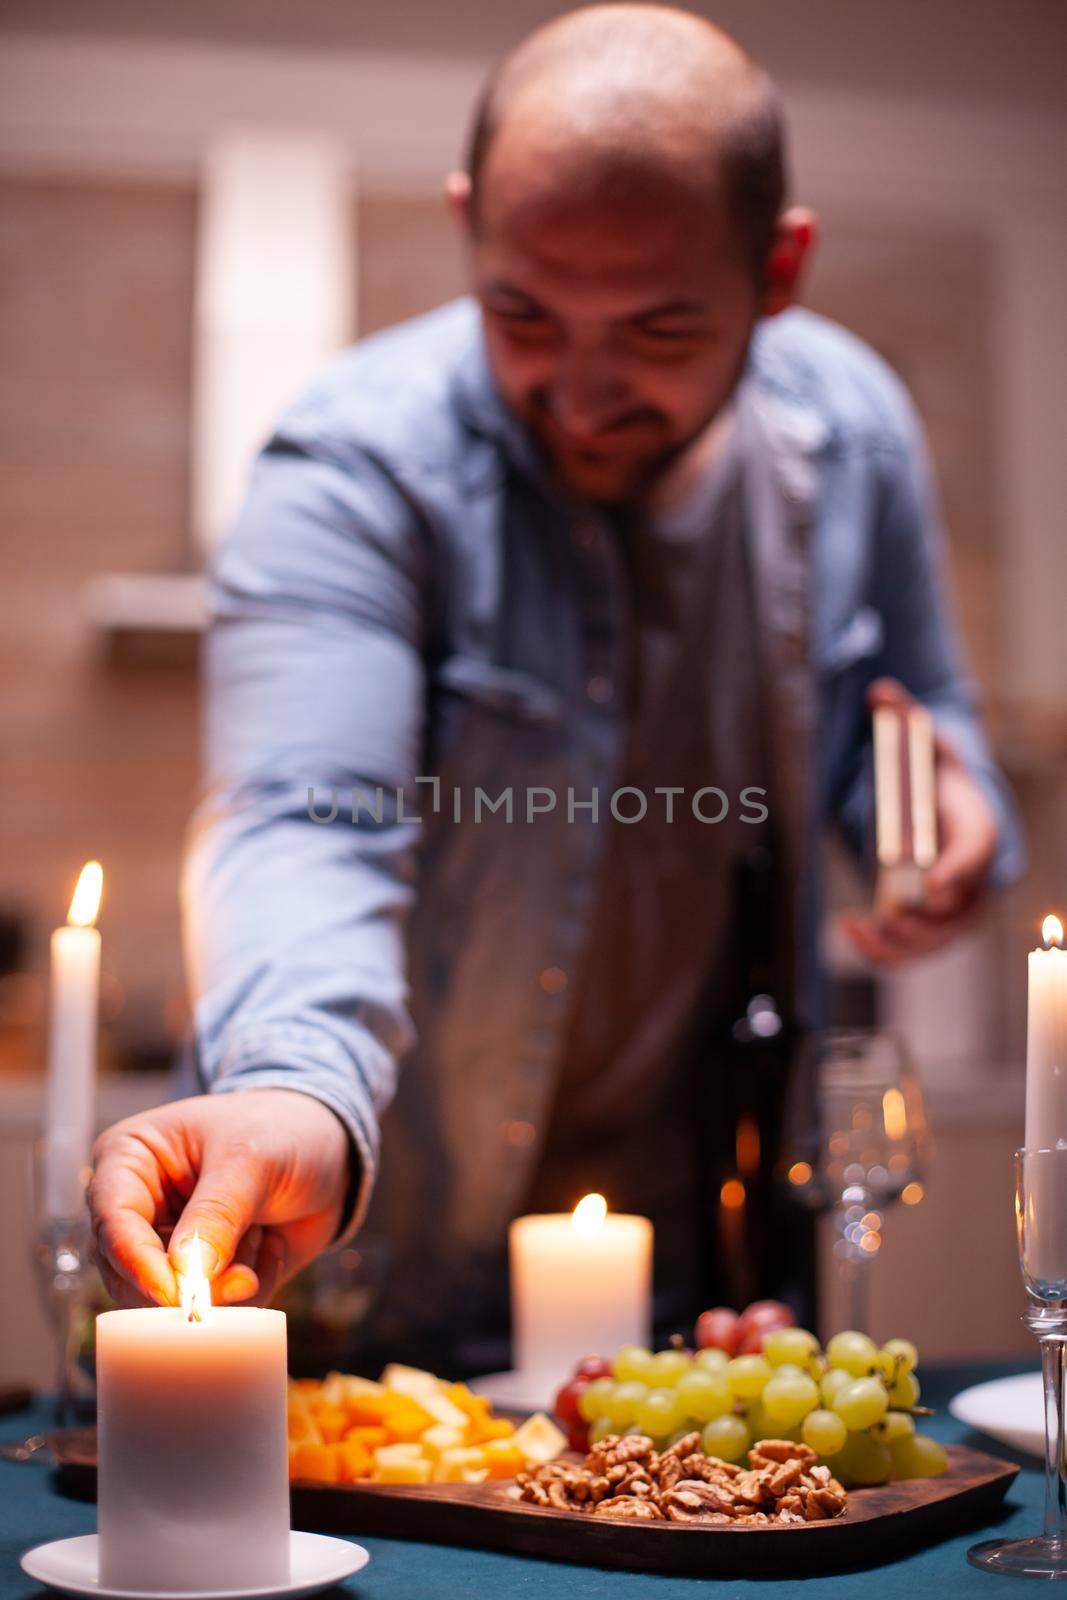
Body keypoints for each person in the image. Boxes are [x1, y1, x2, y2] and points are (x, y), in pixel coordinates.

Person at [89, 4, 1022, 1364]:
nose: (581, 394)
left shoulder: (857, 434)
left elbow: (931, 720)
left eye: (656, 329)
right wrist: (297, 1094)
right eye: (522, 311)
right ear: (470, 223)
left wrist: (958, 822)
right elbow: (307, 818)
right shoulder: (354, 466)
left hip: (718, 1275)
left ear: (778, 268)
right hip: (371, 1273)